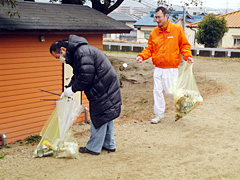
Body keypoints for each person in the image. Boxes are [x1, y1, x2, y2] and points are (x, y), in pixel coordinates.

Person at [50, 35, 121, 155]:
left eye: (58, 57)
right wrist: (68, 88)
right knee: (106, 114)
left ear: (63, 50)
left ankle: (94, 147)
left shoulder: (81, 53)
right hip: (105, 85)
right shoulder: (78, 53)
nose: (60, 60)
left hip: (103, 87)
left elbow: (85, 77)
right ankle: (109, 144)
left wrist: (72, 90)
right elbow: (78, 74)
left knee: (99, 115)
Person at [136, 6, 194, 124]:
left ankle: (184, 103)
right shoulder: (154, 32)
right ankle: (159, 115)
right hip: (158, 68)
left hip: (171, 68)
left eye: (159, 17)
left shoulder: (176, 29)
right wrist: (142, 56)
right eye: (156, 17)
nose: (157, 20)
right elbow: (150, 48)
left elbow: (184, 45)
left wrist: (187, 56)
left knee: (171, 92)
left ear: (166, 16)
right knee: (157, 91)